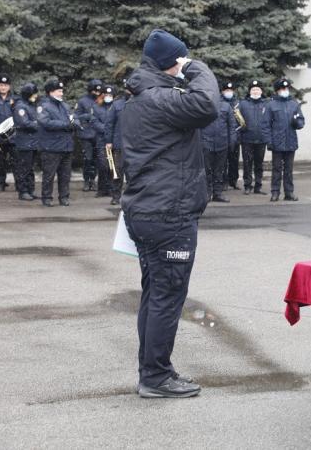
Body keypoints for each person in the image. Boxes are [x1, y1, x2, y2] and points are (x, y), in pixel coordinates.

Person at [121, 29, 219, 398]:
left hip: (149, 209)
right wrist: (196, 67)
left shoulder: (141, 98)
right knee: (167, 295)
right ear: (172, 63)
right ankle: (155, 377)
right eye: (180, 61)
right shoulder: (160, 98)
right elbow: (206, 104)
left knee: (155, 293)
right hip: (168, 213)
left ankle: (153, 370)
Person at [263, 78, 304, 202]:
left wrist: (298, 122)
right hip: (277, 142)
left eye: (286, 88)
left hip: (290, 141)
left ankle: (289, 192)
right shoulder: (271, 105)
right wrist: (269, 141)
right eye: (282, 89)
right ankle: (275, 192)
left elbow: (301, 120)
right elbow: (265, 125)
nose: (285, 90)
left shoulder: (294, 104)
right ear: (277, 91)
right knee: (276, 169)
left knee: (289, 169)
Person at [38, 79, 77, 207]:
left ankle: (64, 197)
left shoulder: (65, 106)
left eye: (61, 91)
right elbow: (45, 122)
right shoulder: (44, 106)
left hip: (66, 146)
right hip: (51, 147)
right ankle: (47, 198)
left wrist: (76, 123)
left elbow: (73, 118)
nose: (62, 93)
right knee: (49, 175)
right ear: (51, 92)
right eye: (59, 91)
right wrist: (65, 125)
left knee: (65, 175)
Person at [199, 80, 237, 203]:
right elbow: (197, 126)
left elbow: (232, 126)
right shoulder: (203, 105)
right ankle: (207, 193)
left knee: (219, 170)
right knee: (207, 170)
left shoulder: (226, 106)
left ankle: (218, 193)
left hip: (222, 143)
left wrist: (232, 142)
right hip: (206, 142)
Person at [238, 80, 269, 195]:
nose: (255, 91)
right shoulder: (243, 104)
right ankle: (247, 186)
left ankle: (258, 186)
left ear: (261, 91)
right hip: (247, 139)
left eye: (257, 89)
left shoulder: (266, 104)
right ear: (250, 91)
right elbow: (237, 121)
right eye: (253, 89)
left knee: (259, 164)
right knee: (247, 164)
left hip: (261, 139)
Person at [12, 83, 40, 201]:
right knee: (24, 168)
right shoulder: (20, 106)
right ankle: (23, 191)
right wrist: (39, 124)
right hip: (24, 142)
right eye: (34, 94)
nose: (36, 96)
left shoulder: (31, 105)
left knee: (30, 168)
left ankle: (30, 190)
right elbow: (24, 123)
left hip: (32, 141)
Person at [74, 79, 104, 192]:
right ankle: (86, 180)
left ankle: (93, 180)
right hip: (86, 134)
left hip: (98, 134)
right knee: (88, 158)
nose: (97, 93)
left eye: (99, 91)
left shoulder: (101, 100)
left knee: (96, 159)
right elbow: (76, 116)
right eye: (95, 91)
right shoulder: (82, 101)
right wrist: (88, 116)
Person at [104, 81, 130, 206]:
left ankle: (130, 197)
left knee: (132, 172)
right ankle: (116, 196)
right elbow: (109, 124)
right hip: (119, 143)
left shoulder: (139, 102)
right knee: (117, 171)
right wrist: (108, 141)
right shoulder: (117, 104)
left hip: (134, 143)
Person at [93, 85, 115, 198]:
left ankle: (110, 188)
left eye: (110, 95)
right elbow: (95, 122)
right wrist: (107, 129)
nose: (108, 97)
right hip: (101, 140)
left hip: (113, 141)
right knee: (103, 166)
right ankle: (101, 189)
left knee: (112, 166)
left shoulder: (116, 107)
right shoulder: (97, 107)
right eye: (106, 95)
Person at [221, 82, 241, 190]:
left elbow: (242, 120)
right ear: (223, 91)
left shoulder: (237, 103)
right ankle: (224, 181)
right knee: (223, 161)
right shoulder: (219, 102)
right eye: (227, 91)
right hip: (223, 135)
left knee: (234, 160)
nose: (229, 92)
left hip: (235, 135)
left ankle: (234, 181)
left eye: (231, 91)